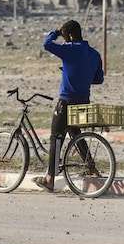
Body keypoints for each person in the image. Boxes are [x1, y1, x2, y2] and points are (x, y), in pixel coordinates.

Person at [37, 19, 104, 191]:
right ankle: (91, 167)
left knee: (55, 137)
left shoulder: (69, 49)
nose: (64, 40)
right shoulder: (94, 54)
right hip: (83, 101)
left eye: (66, 36)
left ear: (71, 35)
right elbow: (98, 79)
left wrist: (56, 32)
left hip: (66, 101)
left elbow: (46, 44)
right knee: (75, 134)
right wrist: (80, 74)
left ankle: (49, 178)